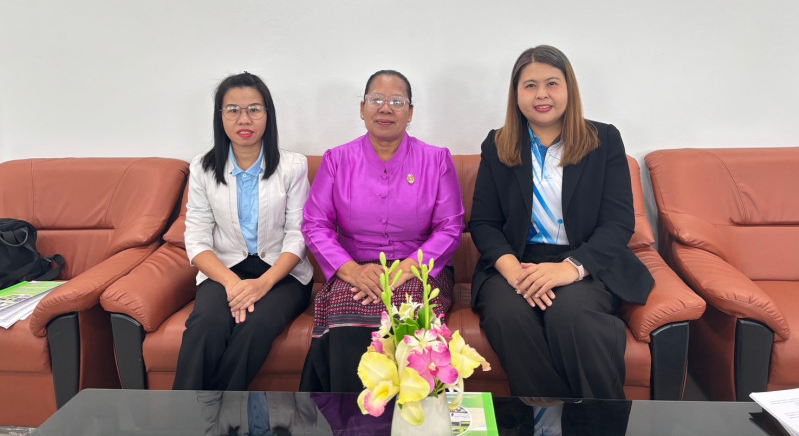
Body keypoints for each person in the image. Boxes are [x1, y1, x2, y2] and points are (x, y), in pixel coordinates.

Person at [470, 45, 654, 399]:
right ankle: (545, 418)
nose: (541, 94)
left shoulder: (603, 140)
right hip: (518, 261)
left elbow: (618, 223)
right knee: (507, 315)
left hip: (584, 260)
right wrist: (512, 271)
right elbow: (484, 222)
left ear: (569, 88)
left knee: (571, 314)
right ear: (516, 94)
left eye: (552, 83)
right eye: (530, 85)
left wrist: (570, 269)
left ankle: (600, 419)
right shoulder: (497, 144)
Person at [300, 69, 464, 393]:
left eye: (397, 101)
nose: (386, 108)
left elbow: (450, 227)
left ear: (410, 112)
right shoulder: (337, 160)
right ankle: (348, 413)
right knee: (347, 304)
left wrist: (408, 268)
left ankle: (411, 413)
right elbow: (315, 224)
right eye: (376, 100)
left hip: (419, 269)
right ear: (362, 109)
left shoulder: (436, 160)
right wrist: (351, 271)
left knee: (410, 308)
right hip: (355, 269)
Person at [173, 72, 314, 391]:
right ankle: (182, 413)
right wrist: (232, 284)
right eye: (233, 110)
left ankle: (219, 411)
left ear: (268, 115)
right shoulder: (202, 168)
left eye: (254, 109)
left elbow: (298, 235)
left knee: (256, 327)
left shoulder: (293, 166)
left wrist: (263, 284)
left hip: (282, 274)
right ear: (220, 116)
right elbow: (196, 238)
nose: (244, 119)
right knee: (205, 325)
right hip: (224, 270)